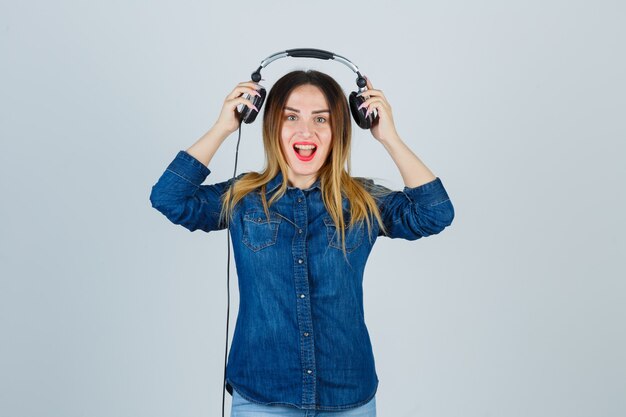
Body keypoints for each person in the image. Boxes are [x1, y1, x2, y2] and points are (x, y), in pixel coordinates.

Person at [150, 70, 455, 416]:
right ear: (270, 127)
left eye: (321, 119)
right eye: (290, 117)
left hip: (348, 397)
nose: (305, 131)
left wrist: (389, 137)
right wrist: (224, 127)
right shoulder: (243, 198)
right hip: (262, 395)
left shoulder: (363, 200)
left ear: (338, 130)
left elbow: (435, 214)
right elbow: (169, 198)